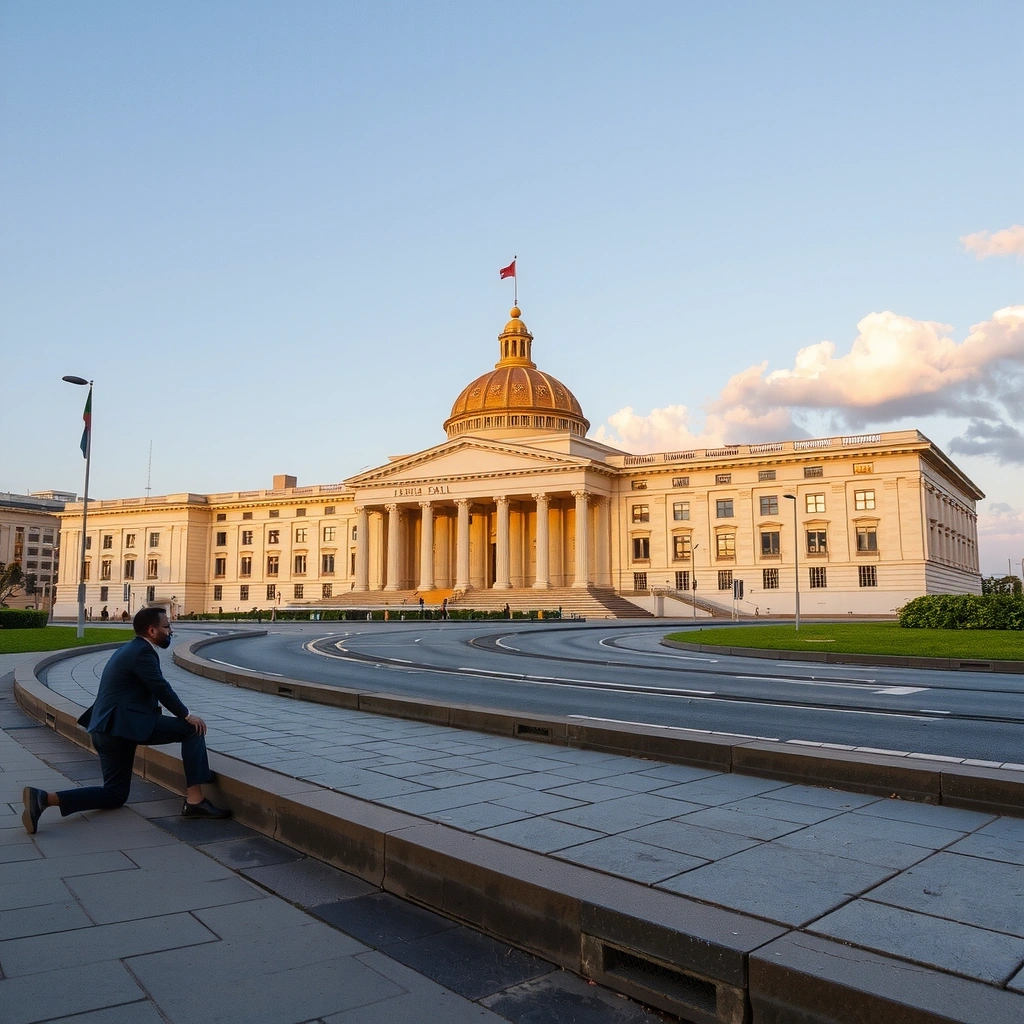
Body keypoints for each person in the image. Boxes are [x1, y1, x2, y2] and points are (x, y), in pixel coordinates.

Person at [22, 607, 230, 835]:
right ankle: (195, 800)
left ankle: (43, 799)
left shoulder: (130, 648)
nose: (171, 631)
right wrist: (187, 715)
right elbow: (160, 687)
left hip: (105, 729)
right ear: (152, 630)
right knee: (191, 730)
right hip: (122, 727)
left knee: (115, 795)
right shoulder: (143, 653)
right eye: (167, 626)